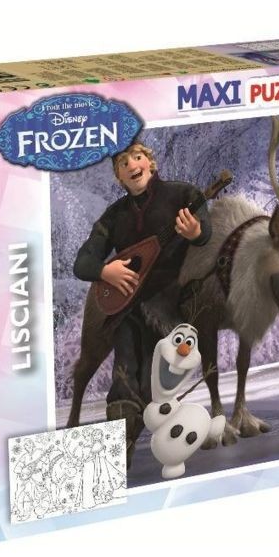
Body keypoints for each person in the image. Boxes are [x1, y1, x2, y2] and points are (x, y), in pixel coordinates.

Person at [73, 143, 211, 465]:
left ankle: (160, 447)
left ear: (151, 163)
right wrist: (105, 271)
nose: (132, 165)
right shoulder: (114, 217)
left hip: (175, 307)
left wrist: (195, 232)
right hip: (130, 310)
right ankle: (118, 453)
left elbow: (205, 232)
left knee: (154, 383)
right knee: (124, 377)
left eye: (137, 157)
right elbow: (83, 262)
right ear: (118, 177)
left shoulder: (183, 195)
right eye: (123, 163)